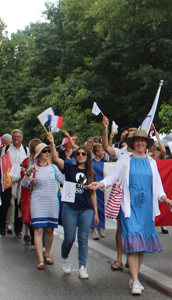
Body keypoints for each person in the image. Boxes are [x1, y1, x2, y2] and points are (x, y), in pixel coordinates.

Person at [88, 130, 172, 295]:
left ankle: (135, 277)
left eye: (143, 141)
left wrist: (165, 198)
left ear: (147, 144)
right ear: (133, 143)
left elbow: (158, 186)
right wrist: (99, 184)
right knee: (132, 243)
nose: (140, 143)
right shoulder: (125, 159)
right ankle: (135, 280)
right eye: (137, 141)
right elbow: (112, 177)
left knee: (140, 245)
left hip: (146, 210)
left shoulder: (151, 162)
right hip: (129, 208)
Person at [47, 133, 99, 277]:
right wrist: (52, 143)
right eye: (78, 153)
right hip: (70, 206)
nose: (81, 155)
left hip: (86, 208)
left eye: (83, 154)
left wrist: (96, 211)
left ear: (88, 156)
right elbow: (56, 159)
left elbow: (93, 193)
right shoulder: (69, 167)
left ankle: (82, 266)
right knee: (69, 238)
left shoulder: (91, 172)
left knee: (83, 239)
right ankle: (64, 257)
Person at [22, 143, 65, 270]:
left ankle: (47, 254)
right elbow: (24, 184)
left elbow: (63, 181)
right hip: (37, 200)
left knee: (50, 229)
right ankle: (40, 259)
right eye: (44, 151)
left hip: (52, 200)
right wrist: (28, 173)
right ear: (38, 154)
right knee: (38, 229)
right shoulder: (33, 167)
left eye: (48, 151)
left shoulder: (53, 167)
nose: (47, 153)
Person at [101, 116, 135, 270]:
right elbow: (106, 148)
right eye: (132, 135)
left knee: (133, 229)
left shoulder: (144, 155)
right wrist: (106, 129)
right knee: (121, 228)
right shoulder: (120, 153)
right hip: (122, 197)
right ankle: (120, 257)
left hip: (136, 197)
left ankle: (131, 257)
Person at [0, 129, 28, 237]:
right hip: (8, 179)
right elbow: (2, 163)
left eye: (18, 136)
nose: (16, 138)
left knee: (19, 204)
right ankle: (2, 227)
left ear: (21, 138)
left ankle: (18, 229)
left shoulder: (26, 149)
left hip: (20, 180)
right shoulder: (6, 149)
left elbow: (28, 163)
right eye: (14, 136)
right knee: (6, 203)